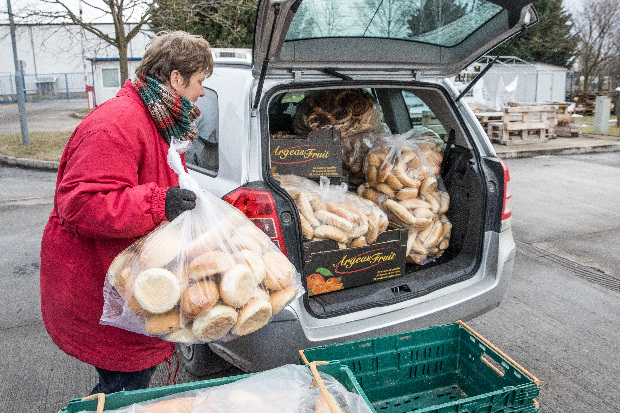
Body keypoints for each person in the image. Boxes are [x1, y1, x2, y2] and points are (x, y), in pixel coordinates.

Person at [39, 31, 213, 395]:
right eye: (200, 81)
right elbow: (80, 204)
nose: (201, 92)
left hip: (131, 278)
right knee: (123, 390)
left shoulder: (159, 119)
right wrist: (158, 203)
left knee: (126, 386)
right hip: (104, 285)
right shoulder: (117, 123)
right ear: (176, 78)